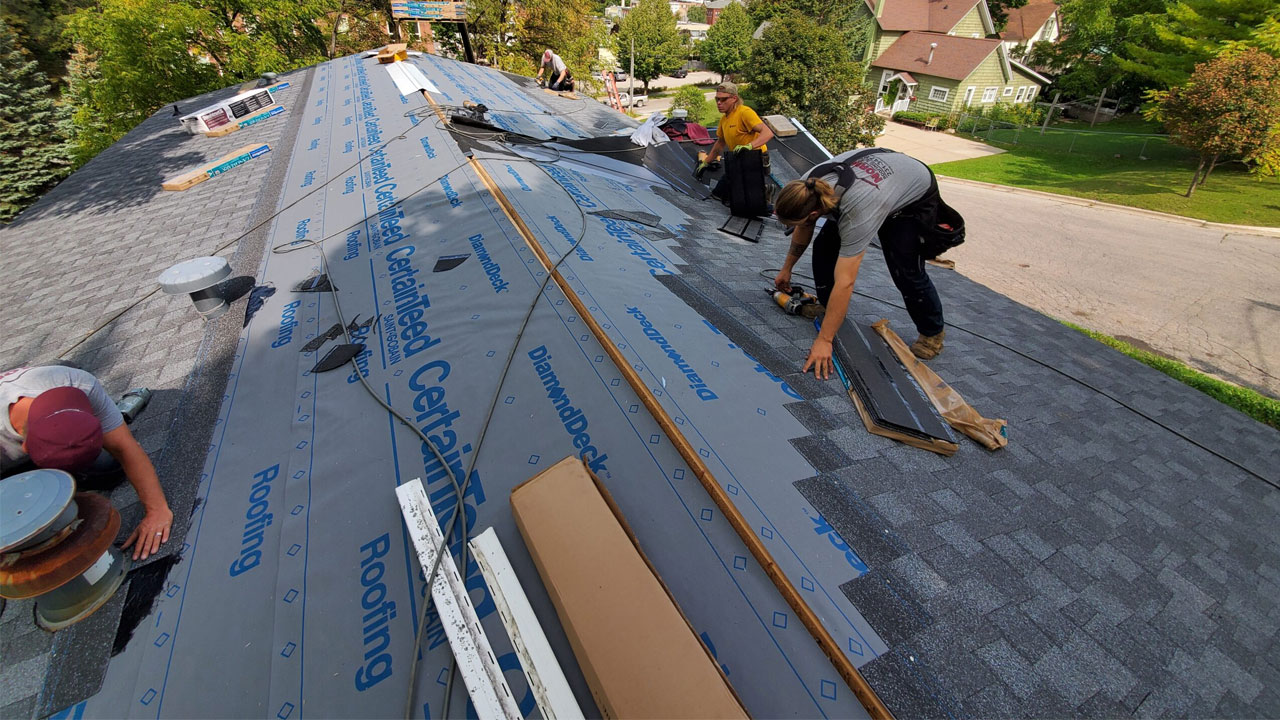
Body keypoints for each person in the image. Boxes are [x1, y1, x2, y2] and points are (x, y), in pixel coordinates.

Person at [772, 148, 949, 379]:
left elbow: (846, 281)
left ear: (815, 213)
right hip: (872, 185)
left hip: (912, 194)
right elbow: (804, 227)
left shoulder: (857, 210)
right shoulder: (806, 188)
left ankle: (932, 332)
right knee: (825, 247)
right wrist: (787, 269)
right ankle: (829, 309)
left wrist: (825, 340)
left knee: (905, 268)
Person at [1, 366, 172, 560]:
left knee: (109, 467)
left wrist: (157, 511)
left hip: (42, 392)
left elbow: (125, 448)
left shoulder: (79, 383)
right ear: (25, 448)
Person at [698, 81, 774, 206]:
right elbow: (720, 144)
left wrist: (750, 146)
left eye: (723, 100)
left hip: (755, 158)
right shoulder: (724, 119)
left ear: (734, 98)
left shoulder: (744, 113)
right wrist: (706, 162)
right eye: (717, 99)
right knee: (720, 194)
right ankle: (762, 189)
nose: (719, 103)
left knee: (747, 202)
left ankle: (763, 191)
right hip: (738, 158)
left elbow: (768, 133)